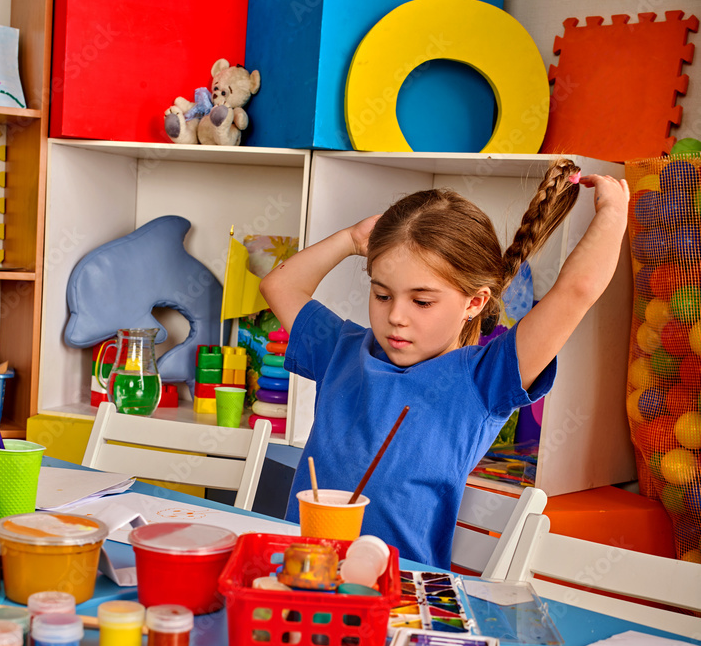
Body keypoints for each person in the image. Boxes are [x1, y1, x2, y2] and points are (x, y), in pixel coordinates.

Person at [260, 159, 630, 568]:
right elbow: (280, 286)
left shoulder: (484, 379)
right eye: (382, 295)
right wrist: (350, 239)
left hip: (403, 593)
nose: (396, 316)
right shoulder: (342, 351)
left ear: (474, 303)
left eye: (421, 301)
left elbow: (575, 291)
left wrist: (613, 213)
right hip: (302, 575)